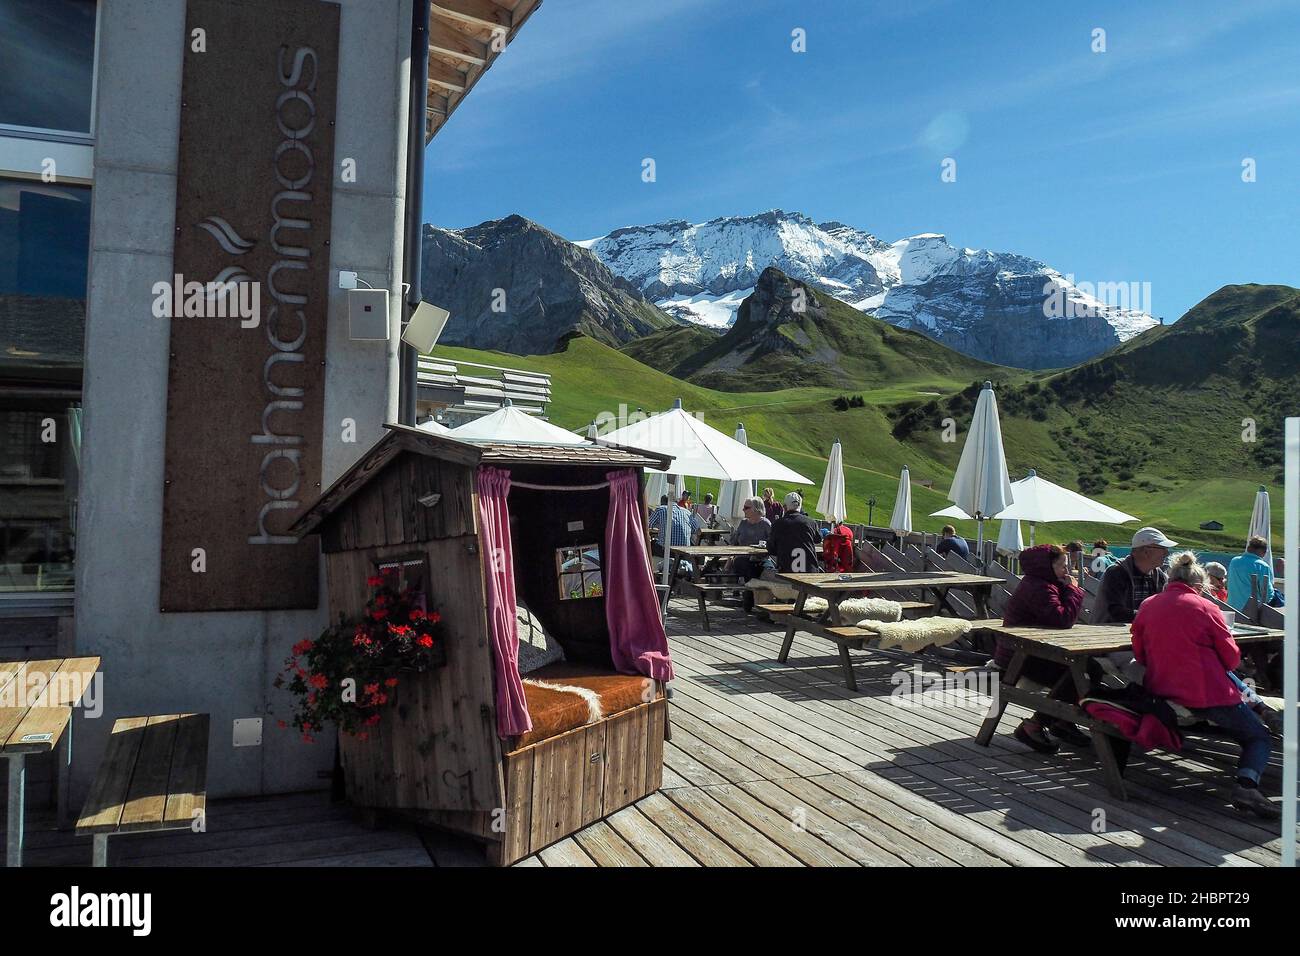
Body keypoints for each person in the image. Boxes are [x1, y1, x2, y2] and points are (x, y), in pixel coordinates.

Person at [1132, 552, 1279, 818]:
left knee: (1220, 674)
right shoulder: (1206, 608)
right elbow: (1232, 658)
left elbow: (1140, 655)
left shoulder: (1148, 605)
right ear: (1199, 586)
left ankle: (1259, 707)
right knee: (1259, 737)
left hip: (1162, 688)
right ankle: (1246, 785)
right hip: (1207, 695)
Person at [997, 544, 1090, 752]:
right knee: (1081, 673)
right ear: (1046, 566)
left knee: (1087, 669)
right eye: (1061, 565)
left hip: (1029, 651)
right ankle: (1035, 725)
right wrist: (1074, 590)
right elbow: (1063, 619)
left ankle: (1061, 721)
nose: (1066, 570)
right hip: (1020, 657)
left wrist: (1068, 589)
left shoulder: (1042, 583)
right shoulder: (1038, 587)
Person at [1091, 526, 1175, 624]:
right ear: (1146, 551)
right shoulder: (1116, 572)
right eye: (1163, 548)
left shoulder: (1159, 576)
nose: (1167, 553)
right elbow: (1116, 613)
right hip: (1107, 635)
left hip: (1142, 632)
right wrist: (1152, 615)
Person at [728, 496, 773, 609]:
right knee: (749, 569)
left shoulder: (766, 524)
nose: (743, 509)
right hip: (742, 558)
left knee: (770, 570)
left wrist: (764, 547)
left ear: (756, 510)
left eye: (746, 507)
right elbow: (734, 542)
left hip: (761, 558)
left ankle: (762, 602)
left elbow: (773, 543)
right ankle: (751, 598)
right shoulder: (743, 523)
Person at [767, 492, 823, 574]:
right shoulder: (811, 522)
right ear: (800, 507)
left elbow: (771, 549)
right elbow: (818, 539)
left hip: (786, 573)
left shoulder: (778, 524)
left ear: (785, 508)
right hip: (810, 571)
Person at [1226, 536, 1283, 610]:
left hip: (1232, 607)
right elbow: (1268, 594)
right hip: (1252, 611)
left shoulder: (1234, 561)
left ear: (1248, 548)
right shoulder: (1262, 566)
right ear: (1263, 551)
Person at [648, 494, 701, 561]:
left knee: (649, 544)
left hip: (666, 551)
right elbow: (697, 530)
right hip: (684, 552)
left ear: (662, 503)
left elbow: (648, 525)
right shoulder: (687, 512)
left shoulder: (660, 509)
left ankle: (649, 567)